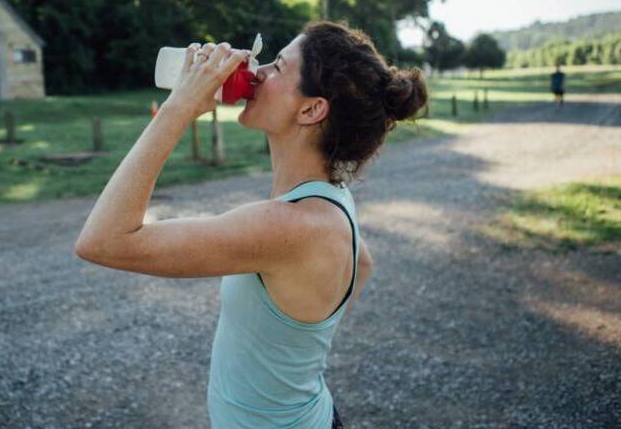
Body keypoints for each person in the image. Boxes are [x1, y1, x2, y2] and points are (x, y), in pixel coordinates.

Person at [75, 21, 428, 428]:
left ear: (311, 109)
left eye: (277, 66)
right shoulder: (329, 202)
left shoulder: (285, 226)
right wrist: (299, 338)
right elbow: (362, 262)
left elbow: (102, 240)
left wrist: (178, 107)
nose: (256, 72)